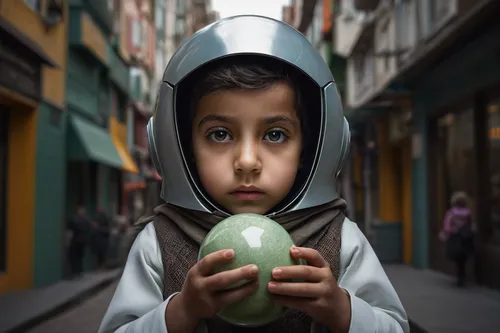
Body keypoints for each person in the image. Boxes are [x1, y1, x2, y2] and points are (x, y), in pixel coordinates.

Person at [99, 15, 409, 333]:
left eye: (275, 135)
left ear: (310, 148)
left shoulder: (342, 240)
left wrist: (342, 310)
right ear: (181, 147)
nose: (247, 162)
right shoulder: (157, 243)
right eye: (220, 134)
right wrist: (181, 312)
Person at [440, 191, 475, 287]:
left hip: (455, 237)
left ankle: (460, 276)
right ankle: (461, 275)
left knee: (457, 256)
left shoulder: (452, 212)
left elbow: (447, 225)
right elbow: (471, 225)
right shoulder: (468, 212)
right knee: (463, 257)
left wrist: (448, 231)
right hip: (465, 237)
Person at [67, 205, 91, 278]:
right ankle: (77, 272)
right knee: (77, 257)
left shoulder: (79, 220)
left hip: (78, 241)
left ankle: (77, 272)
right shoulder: (84, 220)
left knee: (77, 257)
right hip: (78, 241)